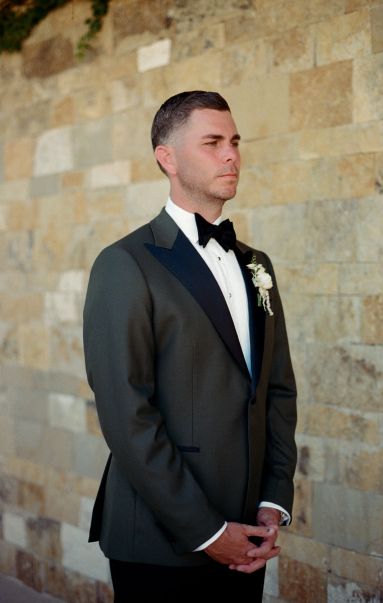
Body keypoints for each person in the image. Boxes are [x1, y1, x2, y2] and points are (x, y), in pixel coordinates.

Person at [83, 90, 297, 603]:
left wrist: (272, 500)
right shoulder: (125, 264)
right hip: (160, 541)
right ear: (168, 158)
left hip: (248, 533)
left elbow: (277, 391)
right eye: (213, 142)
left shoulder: (256, 264)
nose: (231, 155)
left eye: (235, 141)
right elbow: (127, 416)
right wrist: (207, 531)